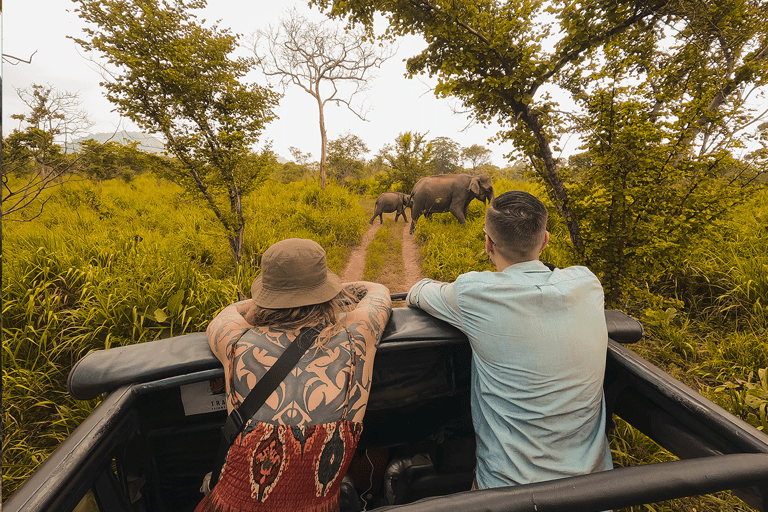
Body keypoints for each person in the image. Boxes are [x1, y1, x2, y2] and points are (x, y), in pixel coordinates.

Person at [406, 190, 612, 490]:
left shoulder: (473, 293)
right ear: (545, 240)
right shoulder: (587, 282)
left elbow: (417, 291)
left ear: (488, 243)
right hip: (597, 492)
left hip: (506, 494)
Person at [197, 238, 391, 512]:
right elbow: (378, 292)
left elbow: (230, 312)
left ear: (267, 293)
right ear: (326, 290)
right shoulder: (357, 339)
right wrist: (330, 291)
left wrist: (276, 295)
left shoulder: (237, 342)